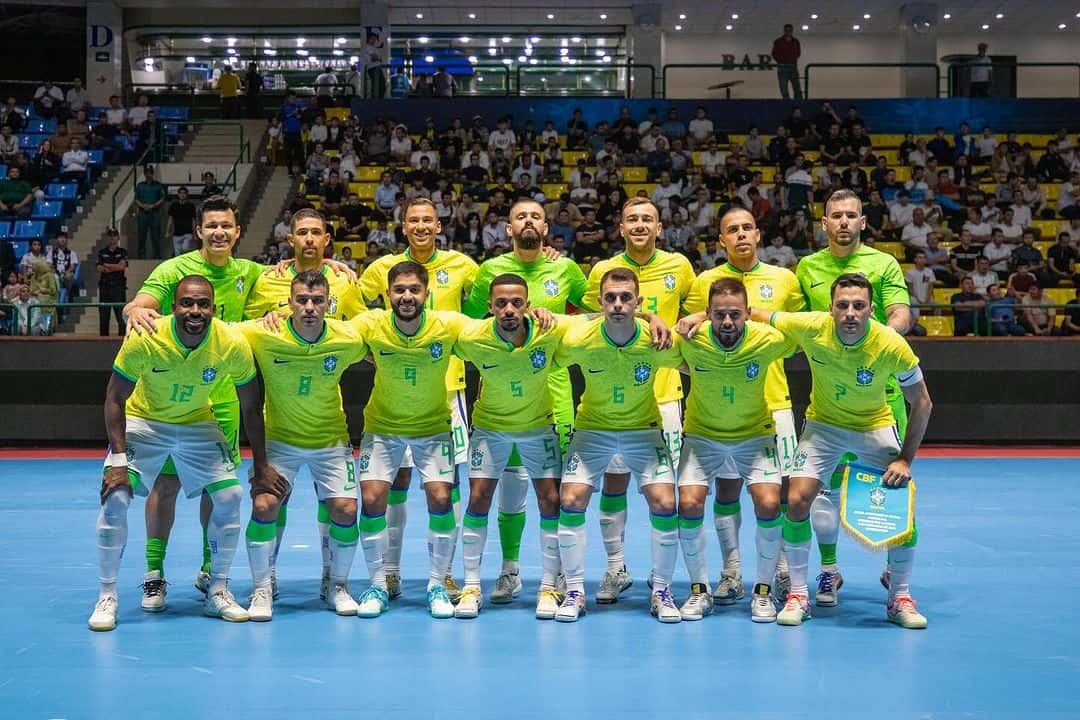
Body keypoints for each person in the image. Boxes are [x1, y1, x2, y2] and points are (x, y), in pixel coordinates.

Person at [87, 275, 281, 631]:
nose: (195, 310)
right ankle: (107, 595)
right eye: (187, 303)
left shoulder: (231, 343)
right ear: (173, 307)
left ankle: (217, 589)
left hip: (196, 422)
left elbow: (251, 407)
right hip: (144, 422)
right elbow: (115, 398)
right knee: (115, 497)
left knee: (230, 494)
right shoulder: (146, 336)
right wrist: (117, 460)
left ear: (213, 308)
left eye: (203, 304)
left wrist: (262, 465)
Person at [121, 196, 269, 606]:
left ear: (237, 232)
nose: (220, 232)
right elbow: (141, 304)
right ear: (200, 231)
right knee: (166, 484)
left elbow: (296, 273)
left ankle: (210, 572)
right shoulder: (176, 269)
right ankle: (154, 573)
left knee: (217, 490)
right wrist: (134, 310)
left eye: (227, 225)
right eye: (212, 226)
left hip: (223, 400)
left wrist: (334, 265)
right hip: (178, 400)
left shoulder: (251, 273)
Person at [768, 273, 932, 630]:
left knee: (900, 502)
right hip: (823, 427)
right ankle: (798, 594)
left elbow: (922, 403)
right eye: (842, 305)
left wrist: (905, 458)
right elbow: (757, 314)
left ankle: (899, 596)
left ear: (871, 310)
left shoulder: (890, 344)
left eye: (859, 306)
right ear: (830, 309)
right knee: (796, 500)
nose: (850, 313)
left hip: (873, 426)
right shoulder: (811, 327)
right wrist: (699, 318)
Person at [462, 200, 589, 603]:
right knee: (509, 489)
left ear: (547, 227)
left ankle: (563, 578)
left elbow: (595, 313)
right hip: (501, 398)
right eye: (521, 216)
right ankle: (509, 571)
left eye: (536, 216)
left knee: (557, 494)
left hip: (555, 399)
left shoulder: (566, 269)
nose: (529, 221)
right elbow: (470, 324)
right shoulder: (489, 272)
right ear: (508, 228)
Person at [680, 207, 806, 602]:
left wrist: (755, 314)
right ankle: (731, 571)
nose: (740, 235)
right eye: (731, 230)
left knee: (777, 495)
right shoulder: (705, 281)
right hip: (720, 410)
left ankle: (780, 570)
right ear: (721, 240)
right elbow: (693, 337)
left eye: (747, 228)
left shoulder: (784, 278)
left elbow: (798, 328)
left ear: (758, 233)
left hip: (774, 403)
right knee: (726, 491)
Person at [573, 198, 695, 604]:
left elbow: (694, 319)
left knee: (664, 494)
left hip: (664, 394)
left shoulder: (679, 266)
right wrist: (647, 317)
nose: (640, 225)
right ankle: (615, 568)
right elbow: (603, 319)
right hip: (612, 393)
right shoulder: (602, 272)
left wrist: (666, 322)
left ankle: (664, 584)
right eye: (632, 220)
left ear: (659, 227)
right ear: (621, 227)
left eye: (647, 219)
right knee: (613, 482)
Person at [794, 189, 911, 603]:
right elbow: (792, 319)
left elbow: (900, 311)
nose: (843, 222)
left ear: (863, 222)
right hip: (828, 399)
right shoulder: (807, 267)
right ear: (824, 224)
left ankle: (895, 577)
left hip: (883, 397)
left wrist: (882, 340)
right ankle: (828, 571)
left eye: (851, 216)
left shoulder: (883, 263)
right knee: (822, 492)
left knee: (891, 489)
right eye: (835, 216)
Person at [358, 199, 479, 600]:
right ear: (403, 226)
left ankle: (442, 574)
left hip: (447, 384)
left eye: (428, 220)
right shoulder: (381, 267)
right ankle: (388, 572)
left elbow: (484, 306)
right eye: (414, 220)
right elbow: (351, 300)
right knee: (395, 481)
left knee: (445, 486)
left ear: (439, 225)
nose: (421, 226)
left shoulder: (462, 264)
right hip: (395, 378)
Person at [236, 270, 369, 620]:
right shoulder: (264, 333)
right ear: (289, 302)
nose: (309, 307)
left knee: (345, 510)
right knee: (265, 505)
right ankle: (263, 588)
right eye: (302, 300)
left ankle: (336, 584)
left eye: (317, 301)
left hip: (331, 440)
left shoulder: (347, 338)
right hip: (281, 442)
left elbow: (382, 331)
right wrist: (147, 316)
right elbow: (216, 330)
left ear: (328, 304)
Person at [554, 268, 681, 623]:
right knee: (571, 499)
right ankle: (576, 591)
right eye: (610, 297)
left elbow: (694, 363)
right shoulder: (581, 338)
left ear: (639, 303)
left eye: (626, 298)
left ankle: (662, 591)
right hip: (592, 430)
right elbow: (546, 347)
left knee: (664, 501)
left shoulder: (655, 340)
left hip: (643, 430)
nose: (618, 304)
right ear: (600, 302)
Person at [674, 278, 797, 622]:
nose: (727, 322)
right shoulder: (692, 339)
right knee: (689, 503)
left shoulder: (767, 339)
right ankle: (700, 590)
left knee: (771, 503)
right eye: (719, 314)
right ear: (708, 314)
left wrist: (761, 315)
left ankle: (763, 590)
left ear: (747, 314)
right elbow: (657, 340)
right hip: (701, 437)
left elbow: (800, 334)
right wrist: (683, 321)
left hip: (755, 437)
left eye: (735, 314)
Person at [452, 274, 564, 619]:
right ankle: (471, 585)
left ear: (528, 305)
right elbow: (434, 323)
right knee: (479, 498)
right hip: (490, 429)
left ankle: (548, 585)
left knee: (551, 500)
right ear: (490, 307)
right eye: (501, 303)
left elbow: (597, 318)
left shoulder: (550, 330)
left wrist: (650, 318)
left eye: (517, 302)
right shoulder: (472, 337)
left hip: (538, 426)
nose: (509, 309)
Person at [97, 229, 128, 336]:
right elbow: (100, 268)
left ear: (118, 237)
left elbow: (122, 266)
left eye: (114, 235)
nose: (112, 238)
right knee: (104, 317)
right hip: (105, 287)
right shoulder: (102, 252)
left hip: (118, 287)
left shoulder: (123, 252)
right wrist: (115, 266)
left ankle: (122, 339)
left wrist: (108, 265)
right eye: (110, 236)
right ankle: (102, 341)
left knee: (121, 317)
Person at [135, 166, 166, 259]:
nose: (149, 174)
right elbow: (136, 199)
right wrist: (142, 205)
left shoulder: (158, 185)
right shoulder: (140, 185)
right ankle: (141, 256)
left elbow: (162, 198)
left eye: (150, 172)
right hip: (143, 213)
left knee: (155, 235)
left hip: (155, 213)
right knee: (141, 235)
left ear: (153, 173)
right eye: (147, 172)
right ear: (144, 174)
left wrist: (153, 205)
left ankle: (156, 256)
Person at [771, 24, 802, 100]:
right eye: (787, 30)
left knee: (797, 88)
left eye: (790, 30)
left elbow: (798, 53)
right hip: (782, 67)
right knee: (783, 89)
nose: (788, 32)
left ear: (792, 31)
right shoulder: (778, 41)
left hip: (792, 66)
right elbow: (774, 54)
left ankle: (798, 105)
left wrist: (792, 59)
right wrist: (781, 61)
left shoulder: (796, 41)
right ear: (784, 31)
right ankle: (787, 104)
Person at [166, 186, 196, 257]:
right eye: (180, 193)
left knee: (185, 248)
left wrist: (195, 234)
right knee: (177, 255)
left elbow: (194, 221)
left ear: (187, 194)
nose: (182, 195)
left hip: (188, 233)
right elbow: (170, 219)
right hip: (176, 233)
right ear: (178, 194)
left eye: (184, 193)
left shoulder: (191, 206)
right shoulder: (174, 205)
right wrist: (167, 231)